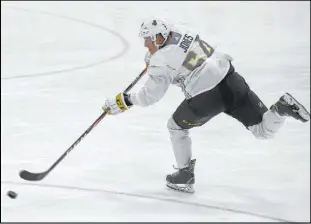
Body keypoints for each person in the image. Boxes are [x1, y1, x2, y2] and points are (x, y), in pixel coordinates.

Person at [102, 19, 310, 193]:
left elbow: (150, 96)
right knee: (263, 130)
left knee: (175, 127)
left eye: (148, 41)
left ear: (159, 37)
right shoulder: (182, 30)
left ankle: (184, 174)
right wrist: (156, 59)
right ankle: (281, 109)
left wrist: (124, 100)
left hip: (207, 96)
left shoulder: (160, 61)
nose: (146, 45)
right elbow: (179, 54)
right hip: (231, 79)